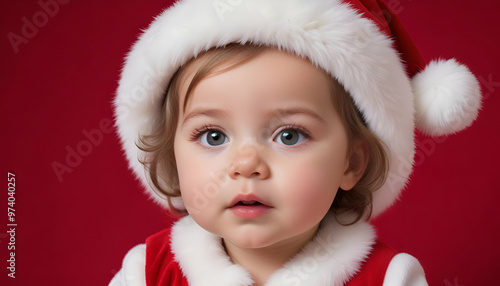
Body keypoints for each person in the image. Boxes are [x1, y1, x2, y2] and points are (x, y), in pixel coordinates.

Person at [110, 0, 481, 285]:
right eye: (213, 136)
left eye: (289, 135)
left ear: (351, 163)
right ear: (172, 157)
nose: (246, 164)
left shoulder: (389, 278)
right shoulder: (146, 273)